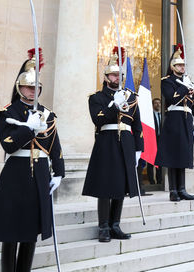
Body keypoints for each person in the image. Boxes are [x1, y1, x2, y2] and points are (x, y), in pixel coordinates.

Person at [0, 49, 65, 272]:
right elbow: (8, 144)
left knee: (31, 231)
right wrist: (29, 129)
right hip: (16, 172)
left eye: (36, 87)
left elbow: (54, 145)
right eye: (29, 87)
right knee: (10, 232)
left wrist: (59, 172)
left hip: (40, 173)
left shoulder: (47, 114)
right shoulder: (8, 113)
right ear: (20, 87)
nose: (33, 91)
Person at [83, 47, 143, 243]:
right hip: (106, 142)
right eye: (114, 75)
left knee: (121, 186)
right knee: (105, 186)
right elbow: (98, 120)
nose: (117, 78)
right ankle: (103, 226)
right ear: (106, 76)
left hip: (125, 142)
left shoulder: (130, 97)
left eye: (119, 75)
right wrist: (113, 106)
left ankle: (115, 224)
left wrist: (138, 147)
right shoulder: (96, 98)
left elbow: (137, 123)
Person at [155, 44, 194, 201]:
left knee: (183, 155)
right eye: (179, 65)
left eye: (183, 65)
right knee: (173, 155)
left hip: (187, 120)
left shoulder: (188, 82)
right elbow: (171, 98)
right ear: (173, 66)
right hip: (174, 119)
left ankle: (182, 188)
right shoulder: (167, 81)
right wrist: (184, 87)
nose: (182, 67)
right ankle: (173, 190)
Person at [142, 98, 163, 186]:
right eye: (155, 103)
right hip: (151, 140)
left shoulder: (163, 115)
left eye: (159, 103)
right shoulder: (149, 116)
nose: (158, 105)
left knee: (160, 161)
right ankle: (151, 181)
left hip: (161, 140)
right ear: (152, 105)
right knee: (151, 162)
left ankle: (159, 181)